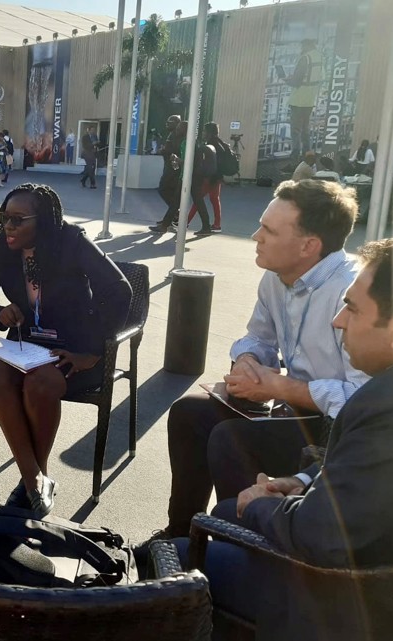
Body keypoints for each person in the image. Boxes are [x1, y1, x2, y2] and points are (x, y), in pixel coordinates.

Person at [182, 236, 393, 640]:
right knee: (215, 456)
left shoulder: (388, 403)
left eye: (353, 309)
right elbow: (374, 473)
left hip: (349, 604)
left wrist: (259, 504)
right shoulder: (391, 396)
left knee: (174, 558)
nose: (339, 320)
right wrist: (304, 481)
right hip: (371, 564)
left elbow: (321, 533)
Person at [149, 179, 369, 541]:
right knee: (190, 411)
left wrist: (281, 386)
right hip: (292, 409)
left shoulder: (352, 295)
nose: (255, 236)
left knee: (229, 438)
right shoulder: (276, 276)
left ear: (308, 246)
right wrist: (248, 361)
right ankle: (181, 535)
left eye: (268, 229)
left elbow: (361, 402)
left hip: (335, 431)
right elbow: (257, 337)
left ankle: (242, 545)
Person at [0, 183, 132, 517]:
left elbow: (120, 290)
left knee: (39, 384)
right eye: (4, 217)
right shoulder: (0, 247)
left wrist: (95, 351)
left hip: (76, 352)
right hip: (30, 346)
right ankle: (35, 481)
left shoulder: (70, 242)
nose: (8, 227)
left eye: (18, 219)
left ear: (42, 222)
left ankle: (30, 484)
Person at [186, 122, 230, 232]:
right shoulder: (221, 143)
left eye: (205, 131)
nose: (203, 133)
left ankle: (185, 222)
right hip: (217, 177)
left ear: (209, 132)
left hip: (211, 177)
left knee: (198, 198)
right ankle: (217, 225)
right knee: (214, 199)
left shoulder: (211, 144)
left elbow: (211, 162)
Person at [286, 38, 322, 161]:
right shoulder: (319, 57)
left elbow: (297, 81)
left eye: (302, 45)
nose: (302, 48)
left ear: (306, 44)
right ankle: (307, 152)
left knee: (296, 129)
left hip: (299, 98)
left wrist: (286, 80)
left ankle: (295, 153)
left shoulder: (305, 58)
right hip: (310, 98)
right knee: (305, 128)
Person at [149, 116, 186, 233]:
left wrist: (165, 151)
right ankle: (171, 217)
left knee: (168, 192)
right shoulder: (172, 135)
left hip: (175, 170)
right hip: (170, 168)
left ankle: (169, 220)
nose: (167, 124)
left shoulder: (180, 137)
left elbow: (176, 151)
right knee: (167, 193)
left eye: (169, 122)